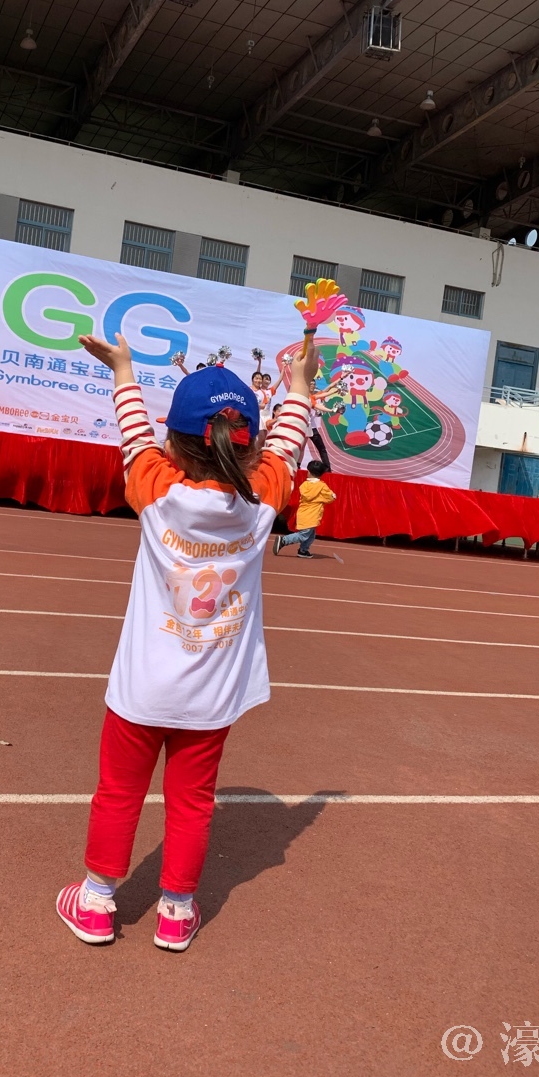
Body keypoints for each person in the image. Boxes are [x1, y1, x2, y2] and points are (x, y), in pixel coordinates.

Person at [56, 332, 318, 952]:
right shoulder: (265, 498)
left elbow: (134, 432)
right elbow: (289, 439)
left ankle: (96, 902)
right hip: (211, 697)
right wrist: (300, 385)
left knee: (118, 792)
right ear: (248, 443)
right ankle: (176, 913)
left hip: (141, 690)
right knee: (194, 802)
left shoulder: (155, 487)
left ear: (174, 443)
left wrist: (123, 369)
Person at [273, 460, 334, 558]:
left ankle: (303, 550)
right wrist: (321, 498)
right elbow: (331, 497)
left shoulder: (304, 485)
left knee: (310, 535)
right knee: (303, 535)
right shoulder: (322, 486)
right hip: (312, 516)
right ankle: (284, 540)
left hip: (303, 513)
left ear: (309, 472)